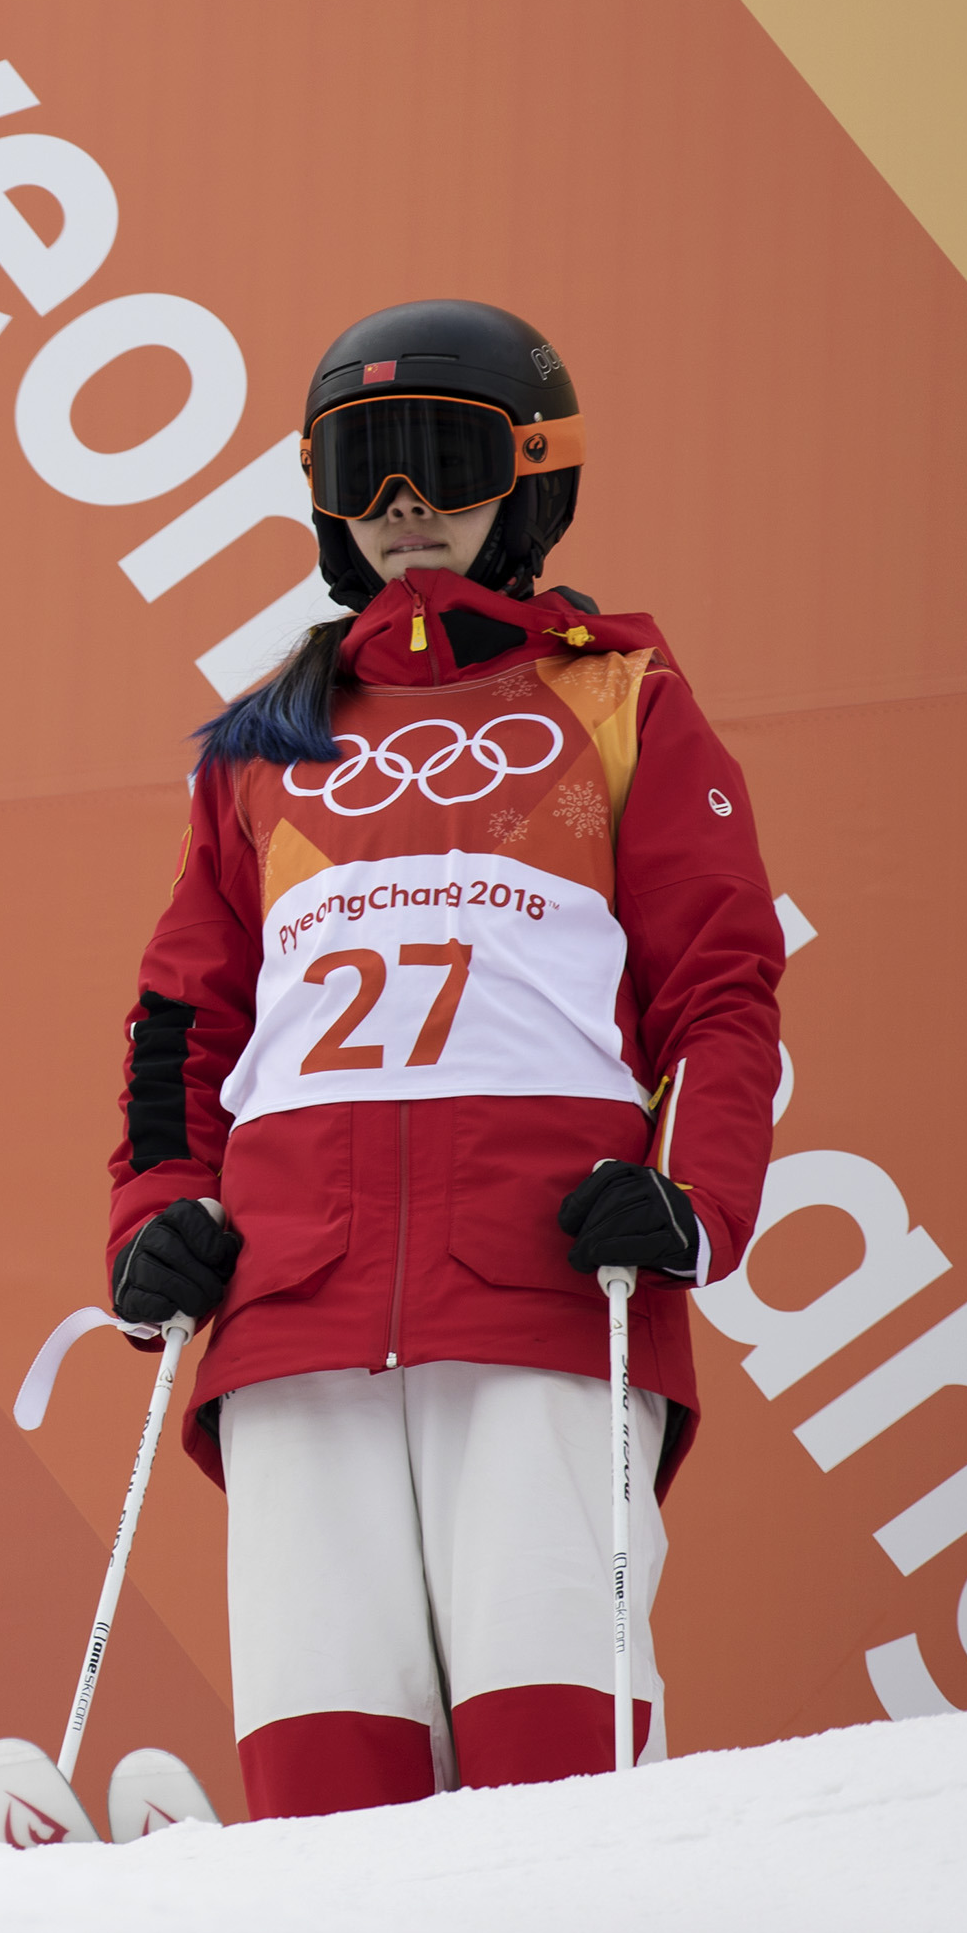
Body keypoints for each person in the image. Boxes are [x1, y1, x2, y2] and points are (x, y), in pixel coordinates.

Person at [100, 299, 783, 1819]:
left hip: (539, 1289)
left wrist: (692, 1206)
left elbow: (725, 992)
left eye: (446, 464)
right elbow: (180, 1020)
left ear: (533, 479)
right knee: (326, 1764)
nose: (404, 512)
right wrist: (158, 1213)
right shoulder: (266, 744)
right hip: (291, 1311)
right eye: (365, 471)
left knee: (556, 1756)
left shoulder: (618, 701)